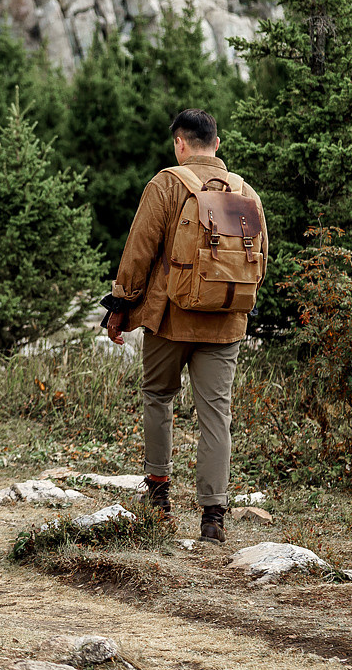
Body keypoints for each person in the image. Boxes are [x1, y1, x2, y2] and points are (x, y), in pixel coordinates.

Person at [102, 108, 267, 543]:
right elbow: (259, 259)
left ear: (180, 143)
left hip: (171, 316)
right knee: (216, 413)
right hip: (226, 322)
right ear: (217, 143)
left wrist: (120, 306)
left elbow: (139, 250)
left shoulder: (166, 183)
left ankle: (158, 497)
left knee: (158, 396)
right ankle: (213, 515)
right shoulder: (245, 191)